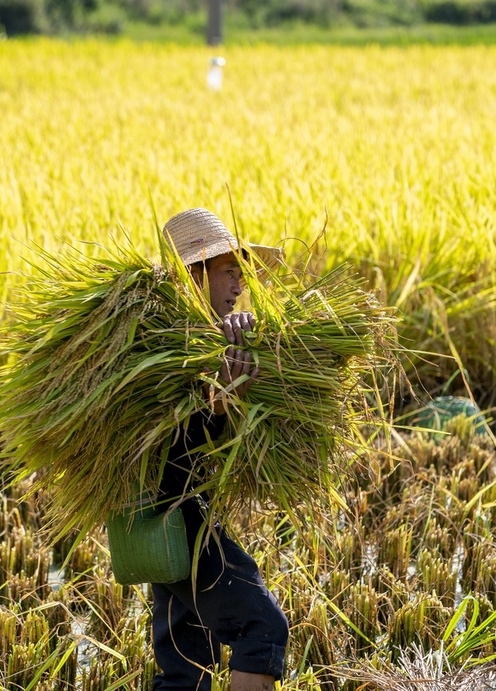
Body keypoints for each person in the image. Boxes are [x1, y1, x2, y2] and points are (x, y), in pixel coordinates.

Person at [151, 208, 289, 691]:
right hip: (174, 517)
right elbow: (169, 448)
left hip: (160, 522)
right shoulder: (158, 348)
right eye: (229, 272)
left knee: (187, 668)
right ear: (194, 275)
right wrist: (222, 396)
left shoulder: (201, 341)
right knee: (262, 629)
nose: (238, 285)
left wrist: (242, 354)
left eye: (242, 275)